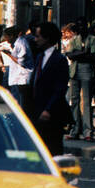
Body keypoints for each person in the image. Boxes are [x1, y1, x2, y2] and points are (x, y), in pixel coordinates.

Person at [28, 21, 72, 156]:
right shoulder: (40, 57)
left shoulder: (59, 59)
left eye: (38, 36)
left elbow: (60, 88)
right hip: (37, 111)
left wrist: (48, 109)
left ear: (47, 38)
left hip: (52, 114)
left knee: (53, 150)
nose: (36, 40)